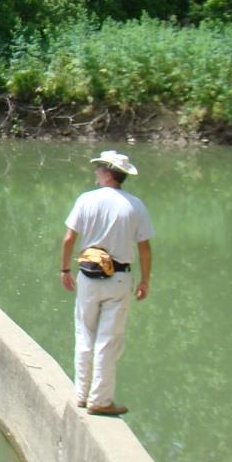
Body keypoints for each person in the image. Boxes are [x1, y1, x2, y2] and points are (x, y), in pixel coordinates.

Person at [59, 150, 153, 416]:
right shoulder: (135, 205)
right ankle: (100, 399)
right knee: (109, 339)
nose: (95, 172)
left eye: (99, 168)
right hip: (120, 278)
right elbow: (144, 248)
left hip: (88, 276)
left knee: (84, 332)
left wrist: (65, 269)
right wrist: (145, 279)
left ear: (108, 173)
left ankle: (81, 394)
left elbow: (68, 239)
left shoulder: (86, 200)